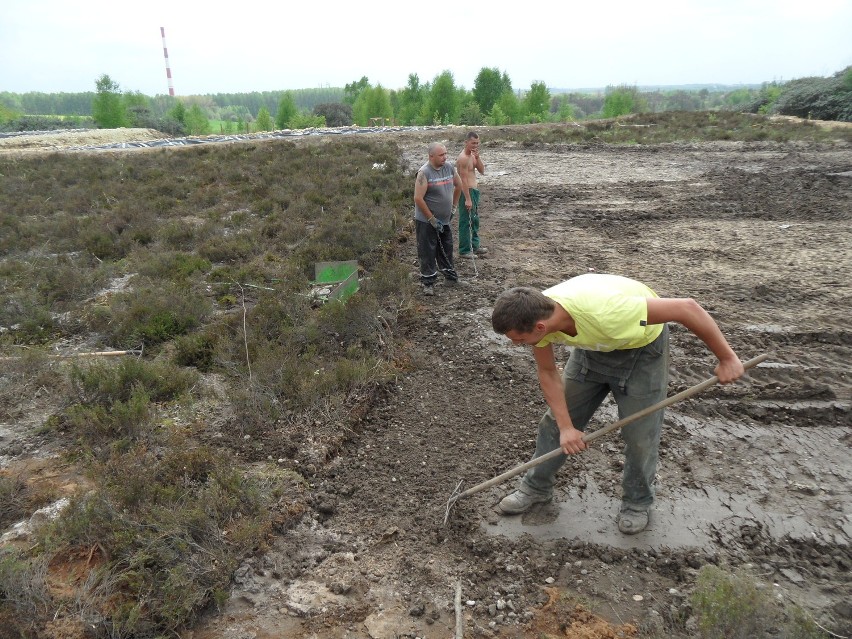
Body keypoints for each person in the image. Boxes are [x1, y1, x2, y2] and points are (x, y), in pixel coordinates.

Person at [490, 273, 745, 534]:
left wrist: (727, 358)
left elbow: (686, 308)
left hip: (641, 351)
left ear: (541, 328)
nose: (514, 345)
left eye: (518, 340)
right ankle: (535, 488)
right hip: (594, 348)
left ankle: (637, 502)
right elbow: (547, 372)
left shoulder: (608, 312)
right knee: (554, 424)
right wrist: (567, 426)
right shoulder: (535, 314)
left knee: (640, 435)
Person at [414, 142, 467, 296]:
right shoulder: (424, 173)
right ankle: (428, 283)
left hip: (444, 220)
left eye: (445, 154)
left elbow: (458, 185)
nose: (445, 157)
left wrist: (454, 207)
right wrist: (431, 219)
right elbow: (418, 198)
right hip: (426, 222)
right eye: (441, 155)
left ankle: (450, 277)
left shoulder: (449, 168)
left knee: (446, 247)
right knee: (427, 251)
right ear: (431, 156)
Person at [456, 132, 487, 258]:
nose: (475, 145)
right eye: (473, 143)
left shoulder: (473, 156)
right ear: (466, 142)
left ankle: (474, 245)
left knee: (474, 219)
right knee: (466, 221)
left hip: (474, 191)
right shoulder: (462, 158)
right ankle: (464, 250)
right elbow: (462, 180)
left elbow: (482, 170)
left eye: (477, 143)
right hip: (466, 192)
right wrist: (467, 199)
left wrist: (478, 157)